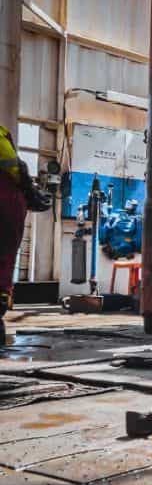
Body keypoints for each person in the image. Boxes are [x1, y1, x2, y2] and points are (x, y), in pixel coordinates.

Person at [0, 125, 52, 345]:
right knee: (4, 258)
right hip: (9, 203)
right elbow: (16, 168)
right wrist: (30, 191)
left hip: (8, 201)